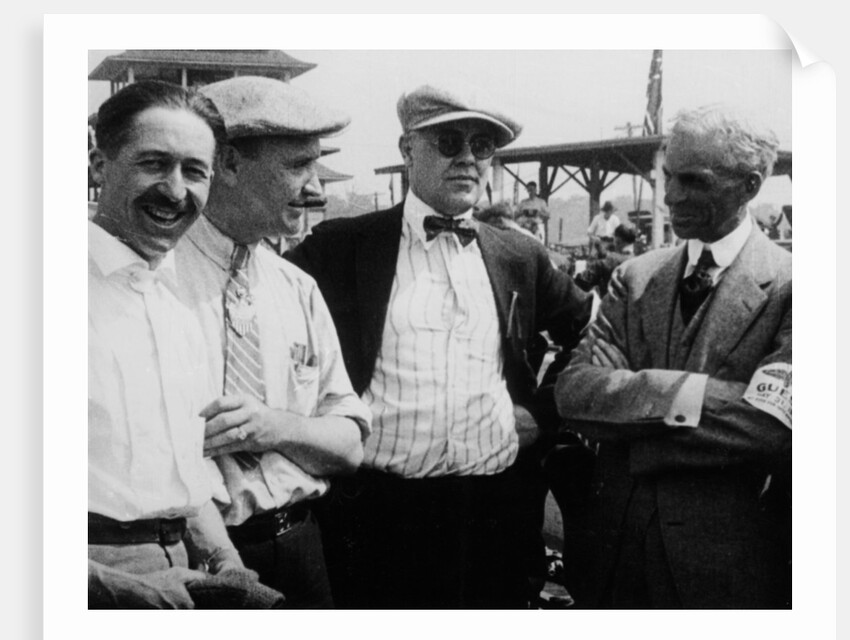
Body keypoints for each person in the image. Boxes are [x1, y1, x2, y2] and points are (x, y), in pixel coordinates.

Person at [287, 84, 593, 609]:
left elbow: (592, 331)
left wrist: (542, 412)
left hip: (496, 511)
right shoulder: (341, 247)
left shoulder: (520, 255)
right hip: (378, 513)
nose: (469, 159)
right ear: (408, 150)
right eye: (450, 141)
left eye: (484, 146)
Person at [555, 105, 791, 609]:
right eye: (667, 176)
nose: (671, 195)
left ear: (749, 186)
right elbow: (573, 392)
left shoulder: (795, 288)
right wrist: (701, 402)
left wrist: (629, 401)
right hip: (612, 554)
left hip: (725, 567)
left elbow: (772, 427)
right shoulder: (636, 277)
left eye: (693, 180)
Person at [173, 76, 372, 609]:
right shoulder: (155, 279)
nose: (318, 188)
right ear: (230, 165)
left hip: (301, 547)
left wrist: (273, 425)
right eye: (298, 166)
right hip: (199, 560)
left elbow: (350, 445)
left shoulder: (296, 288)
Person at [88, 80, 259, 608]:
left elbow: (183, 473)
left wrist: (227, 559)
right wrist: (114, 585)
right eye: (154, 164)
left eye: (195, 171)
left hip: (181, 570)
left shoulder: (175, 303)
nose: (176, 190)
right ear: (98, 165)